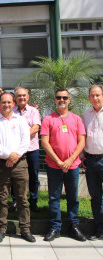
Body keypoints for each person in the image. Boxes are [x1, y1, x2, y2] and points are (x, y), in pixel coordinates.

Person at [0, 92, 35, 243]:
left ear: (13, 104)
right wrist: (9, 155)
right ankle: (1, 229)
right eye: (3, 102)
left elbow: (25, 141)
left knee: (22, 198)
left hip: (20, 164)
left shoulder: (21, 120)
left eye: (9, 102)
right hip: (2, 164)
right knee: (2, 198)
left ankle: (25, 229)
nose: (6, 105)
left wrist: (14, 157)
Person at [41, 88, 86, 242]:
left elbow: (82, 141)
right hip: (54, 165)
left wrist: (70, 160)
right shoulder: (48, 119)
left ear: (69, 100)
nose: (62, 100)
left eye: (64, 97)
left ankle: (74, 226)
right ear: (55, 99)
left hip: (73, 166)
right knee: (54, 197)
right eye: (59, 97)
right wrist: (59, 161)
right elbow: (45, 142)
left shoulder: (77, 119)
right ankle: (55, 227)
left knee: (73, 197)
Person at [12, 87, 41, 212]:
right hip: (17, 150)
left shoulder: (34, 111)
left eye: (24, 95)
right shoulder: (12, 112)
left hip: (32, 149)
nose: (22, 98)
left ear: (28, 97)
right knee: (15, 176)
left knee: (33, 176)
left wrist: (21, 137)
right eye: (19, 96)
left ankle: (33, 201)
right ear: (15, 98)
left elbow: (35, 128)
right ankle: (15, 201)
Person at [82, 85, 103, 240]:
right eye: (93, 95)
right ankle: (99, 229)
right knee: (95, 196)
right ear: (89, 97)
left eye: (98, 95)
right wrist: (82, 156)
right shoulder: (86, 115)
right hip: (91, 161)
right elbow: (82, 137)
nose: (95, 98)